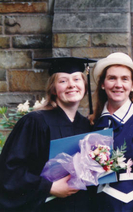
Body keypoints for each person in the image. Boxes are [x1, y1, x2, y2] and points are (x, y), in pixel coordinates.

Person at [0, 57, 96, 212]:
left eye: (77, 79)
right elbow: (10, 170)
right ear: (53, 88)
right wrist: (48, 187)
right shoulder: (35, 122)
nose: (71, 85)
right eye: (63, 81)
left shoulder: (86, 125)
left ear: (84, 85)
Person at [90, 52, 133, 212]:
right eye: (112, 78)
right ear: (102, 84)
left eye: (124, 79)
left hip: (129, 205)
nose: (118, 84)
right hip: (99, 204)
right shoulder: (96, 121)